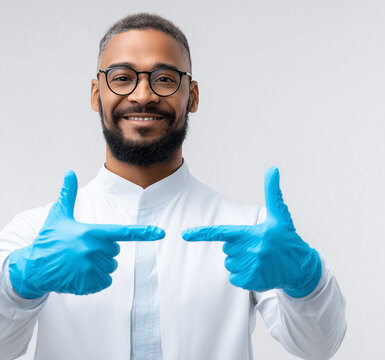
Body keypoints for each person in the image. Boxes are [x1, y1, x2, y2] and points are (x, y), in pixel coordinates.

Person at [0, 13, 346, 360]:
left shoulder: (250, 233)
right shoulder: (36, 233)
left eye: (164, 78)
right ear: (96, 94)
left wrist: (307, 277)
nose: (143, 94)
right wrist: (20, 283)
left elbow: (318, 347)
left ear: (192, 95)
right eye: (122, 78)